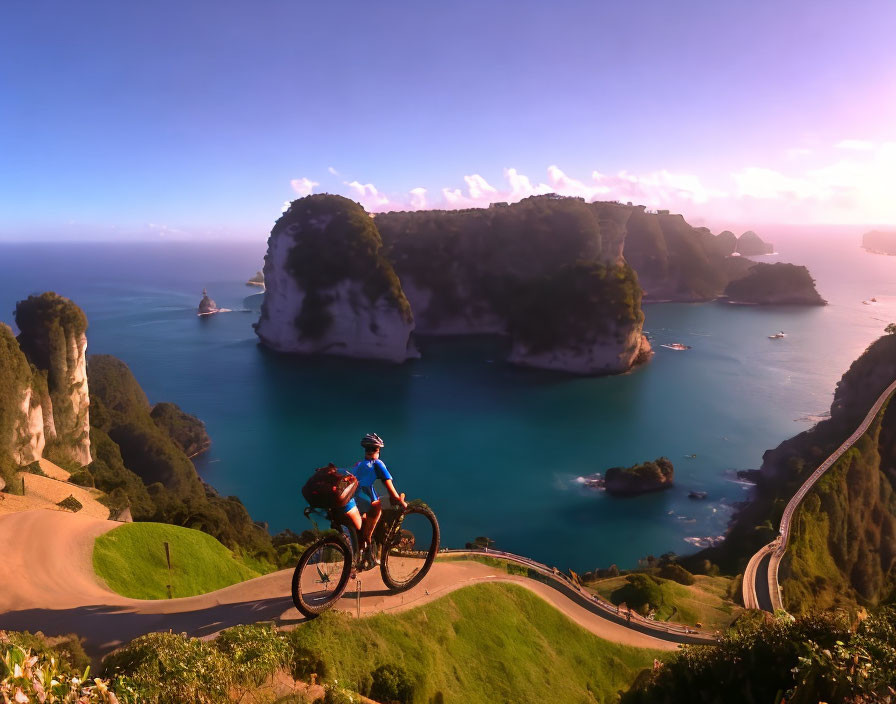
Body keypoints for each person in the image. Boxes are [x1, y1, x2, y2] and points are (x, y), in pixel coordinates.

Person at [343, 432, 407, 564]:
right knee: (377, 506)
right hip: (362, 497)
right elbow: (389, 486)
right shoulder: (377, 463)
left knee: (363, 522)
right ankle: (368, 538)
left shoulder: (358, 464)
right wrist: (399, 501)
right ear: (377, 450)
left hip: (350, 499)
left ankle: (361, 557)